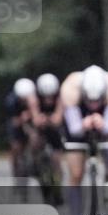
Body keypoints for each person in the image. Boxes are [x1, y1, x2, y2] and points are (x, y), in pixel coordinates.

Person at [61, 65, 108, 215]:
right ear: (83, 94)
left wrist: (102, 124)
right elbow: (73, 128)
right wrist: (84, 124)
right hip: (78, 120)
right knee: (76, 173)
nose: (94, 104)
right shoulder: (70, 89)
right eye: (90, 100)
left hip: (103, 121)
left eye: (98, 100)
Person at [32, 73, 66, 204]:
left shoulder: (60, 99)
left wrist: (48, 119)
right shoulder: (34, 99)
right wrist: (40, 120)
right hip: (41, 131)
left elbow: (57, 119)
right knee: (35, 141)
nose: (48, 99)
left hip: (55, 131)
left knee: (56, 160)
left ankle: (58, 188)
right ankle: (35, 166)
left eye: (51, 96)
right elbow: (35, 119)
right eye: (45, 96)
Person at [5, 78, 37, 183]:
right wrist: (23, 118)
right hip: (16, 124)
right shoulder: (11, 101)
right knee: (16, 147)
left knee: (35, 139)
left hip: (30, 122)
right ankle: (15, 169)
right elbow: (14, 121)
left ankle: (35, 163)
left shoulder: (35, 99)